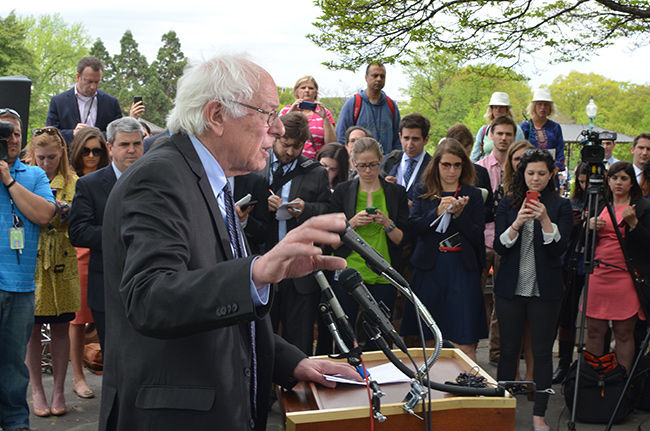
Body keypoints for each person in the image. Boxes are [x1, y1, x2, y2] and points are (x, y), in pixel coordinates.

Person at [98, 54, 360, 431]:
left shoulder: (211, 179)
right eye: (268, 114)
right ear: (217, 115)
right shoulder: (158, 178)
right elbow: (149, 296)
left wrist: (293, 363)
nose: (280, 129)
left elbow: (220, 303)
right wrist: (256, 271)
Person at [494, 148, 572, 431]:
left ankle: (539, 415)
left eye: (541, 173)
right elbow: (500, 247)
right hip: (510, 289)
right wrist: (517, 222)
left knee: (541, 353)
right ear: (521, 174)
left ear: (551, 174)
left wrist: (544, 220)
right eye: (530, 173)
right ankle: (501, 411)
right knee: (508, 351)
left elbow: (560, 251)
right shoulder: (508, 202)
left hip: (545, 289)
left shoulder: (560, 205)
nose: (535, 179)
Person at [401, 138, 487, 361]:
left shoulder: (473, 194)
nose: (452, 170)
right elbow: (413, 228)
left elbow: (478, 236)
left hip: (462, 269)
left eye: (457, 165)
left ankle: (470, 391)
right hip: (430, 269)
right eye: (446, 164)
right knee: (430, 341)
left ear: (464, 166)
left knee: (465, 342)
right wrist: (436, 212)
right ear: (436, 164)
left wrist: (460, 215)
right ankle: (435, 392)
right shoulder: (423, 191)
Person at [0, 108, 56, 431]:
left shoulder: (33, 175)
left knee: (12, 368)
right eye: (5, 133)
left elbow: (45, 214)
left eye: (17, 133)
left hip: (20, 289)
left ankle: (17, 424)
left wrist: (8, 179)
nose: (12, 138)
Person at [68, 117, 145, 350]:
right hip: (107, 286)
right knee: (114, 358)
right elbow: (79, 233)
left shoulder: (157, 181)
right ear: (110, 148)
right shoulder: (89, 185)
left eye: (137, 144)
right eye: (124, 145)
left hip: (148, 283)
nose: (132, 150)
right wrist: (123, 233)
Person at [328, 137, 409, 351]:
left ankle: (379, 382)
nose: (368, 170)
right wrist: (351, 224)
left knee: (380, 338)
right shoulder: (343, 191)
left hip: (382, 273)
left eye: (373, 164)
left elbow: (401, 239)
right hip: (349, 272)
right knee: (346, 337)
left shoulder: (396, 192)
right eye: (362, 165)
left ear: (381, 160)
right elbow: (333, 242)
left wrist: (387, 223)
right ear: (353, 163)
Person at [263, 112, 331, 355]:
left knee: (299, 342)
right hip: (261, 265)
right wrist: (263, 205)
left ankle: (299, 392)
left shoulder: (315, 172)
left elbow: (328, 211)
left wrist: (306, 209)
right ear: (274, 138)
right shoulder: (257, 165)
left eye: (297, 146)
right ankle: (264, 394)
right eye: (285, 144)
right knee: (260, 341)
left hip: (300, 272)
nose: (290, 151)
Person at [24, 127, 80, 418]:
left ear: (62, 155)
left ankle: (59, 388)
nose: (47, 163)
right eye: (42, 157)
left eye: (52, 157)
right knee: (32, 330)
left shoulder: (74, 182)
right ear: (32, 154)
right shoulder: (25, 179)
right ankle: (37, 389)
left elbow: (83, 220)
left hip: (63, 260)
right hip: (31, 261)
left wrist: (69, 212)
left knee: (61, 326)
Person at [585, 161, 650, 373]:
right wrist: (589, 227)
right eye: (614, 178)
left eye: (624, 178)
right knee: (595, 331)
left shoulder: (642, 207)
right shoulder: (599, 204)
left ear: (632, 183)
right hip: (598, 274)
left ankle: (621, 385)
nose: (618, 183)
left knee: (623, 332)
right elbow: (583, 244)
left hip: (626, 277)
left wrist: (634, 224)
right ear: (608, 181)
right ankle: (594, 380)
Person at [67, 127, 110, 399]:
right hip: (77, 253)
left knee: (103, 318)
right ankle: (78, 376)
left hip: (103, 256)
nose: (92, 156)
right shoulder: (71, 180)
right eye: (86, 151)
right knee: (78, 319)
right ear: (77, 152)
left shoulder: (112, 178)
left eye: (97, 150)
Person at [476, 115, 518, 365]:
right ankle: (470, 349)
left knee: (503, 300)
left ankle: (497, 353)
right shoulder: (478, 167)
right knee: (474, 296)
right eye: (499, 133)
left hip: (507, 242)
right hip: (481, 240)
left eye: (508, 134)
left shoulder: (519, 169)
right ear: (491, 135)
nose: (503, 138)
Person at [552, 162, 590, 384]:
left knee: (595, 317)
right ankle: (564, 363)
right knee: (566, 315)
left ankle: (592, 364)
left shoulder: (605, 204)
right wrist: (573, 224)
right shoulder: (571, 202)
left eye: (588, 182)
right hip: (571, 261)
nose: (585, 186)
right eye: (581, 182)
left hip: (595, 263)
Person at [46, 57, 135, 146]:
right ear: (78, 77)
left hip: (101, 157)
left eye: (97, 82)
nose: (93, 86)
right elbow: (50, 134)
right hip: (69, 157)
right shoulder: (58, 102)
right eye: (89, 81)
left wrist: (94, 135)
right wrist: (72, 134)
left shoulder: (111, 103)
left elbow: (118, 133)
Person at [336, 64, 401, 154]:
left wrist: (395, 160)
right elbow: (341, 137)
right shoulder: (353, 104)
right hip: (359, 163)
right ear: (366, 78)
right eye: (375, 75)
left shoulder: (391, 105)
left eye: (382, 76)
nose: (379, 79)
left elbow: (398, 139)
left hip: (387, 163)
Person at [279, 75, 336, 158]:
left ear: (316, 92)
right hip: (290, 159)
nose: (307, 91)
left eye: (311, 88)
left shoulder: (323, 112)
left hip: (314, 164)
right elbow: (276, 134)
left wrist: (325, 119)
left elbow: (332, 144)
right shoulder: (286, 110)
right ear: (296, 91)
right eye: (303, 88)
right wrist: (291, 112)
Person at [382, 113, 432, 202]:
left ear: (426, 140)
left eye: (415, 139)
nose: (409, 145)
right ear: (400, 137)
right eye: (406, 138)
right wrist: (383, 186)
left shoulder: (433, 166)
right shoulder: (387, 161)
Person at [470, 92, 525, 162]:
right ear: (491, 109)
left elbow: (520, 155)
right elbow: (474, 156)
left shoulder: (516, 130)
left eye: (501, 107)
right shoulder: (484, 130)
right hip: (484, 170)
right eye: (495, 107)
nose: (498, 110)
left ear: (506, 110)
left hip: (507, 170)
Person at [520, 88, 565, 173]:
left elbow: (560, 149)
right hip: (530, 172)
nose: (543, 107)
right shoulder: (525, 126)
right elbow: (520, 150)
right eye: (539, 104)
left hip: (551, 171)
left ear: (550, 107)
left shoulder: (555, 127)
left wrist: (555, 170)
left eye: (546, 104)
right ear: (534, 107)